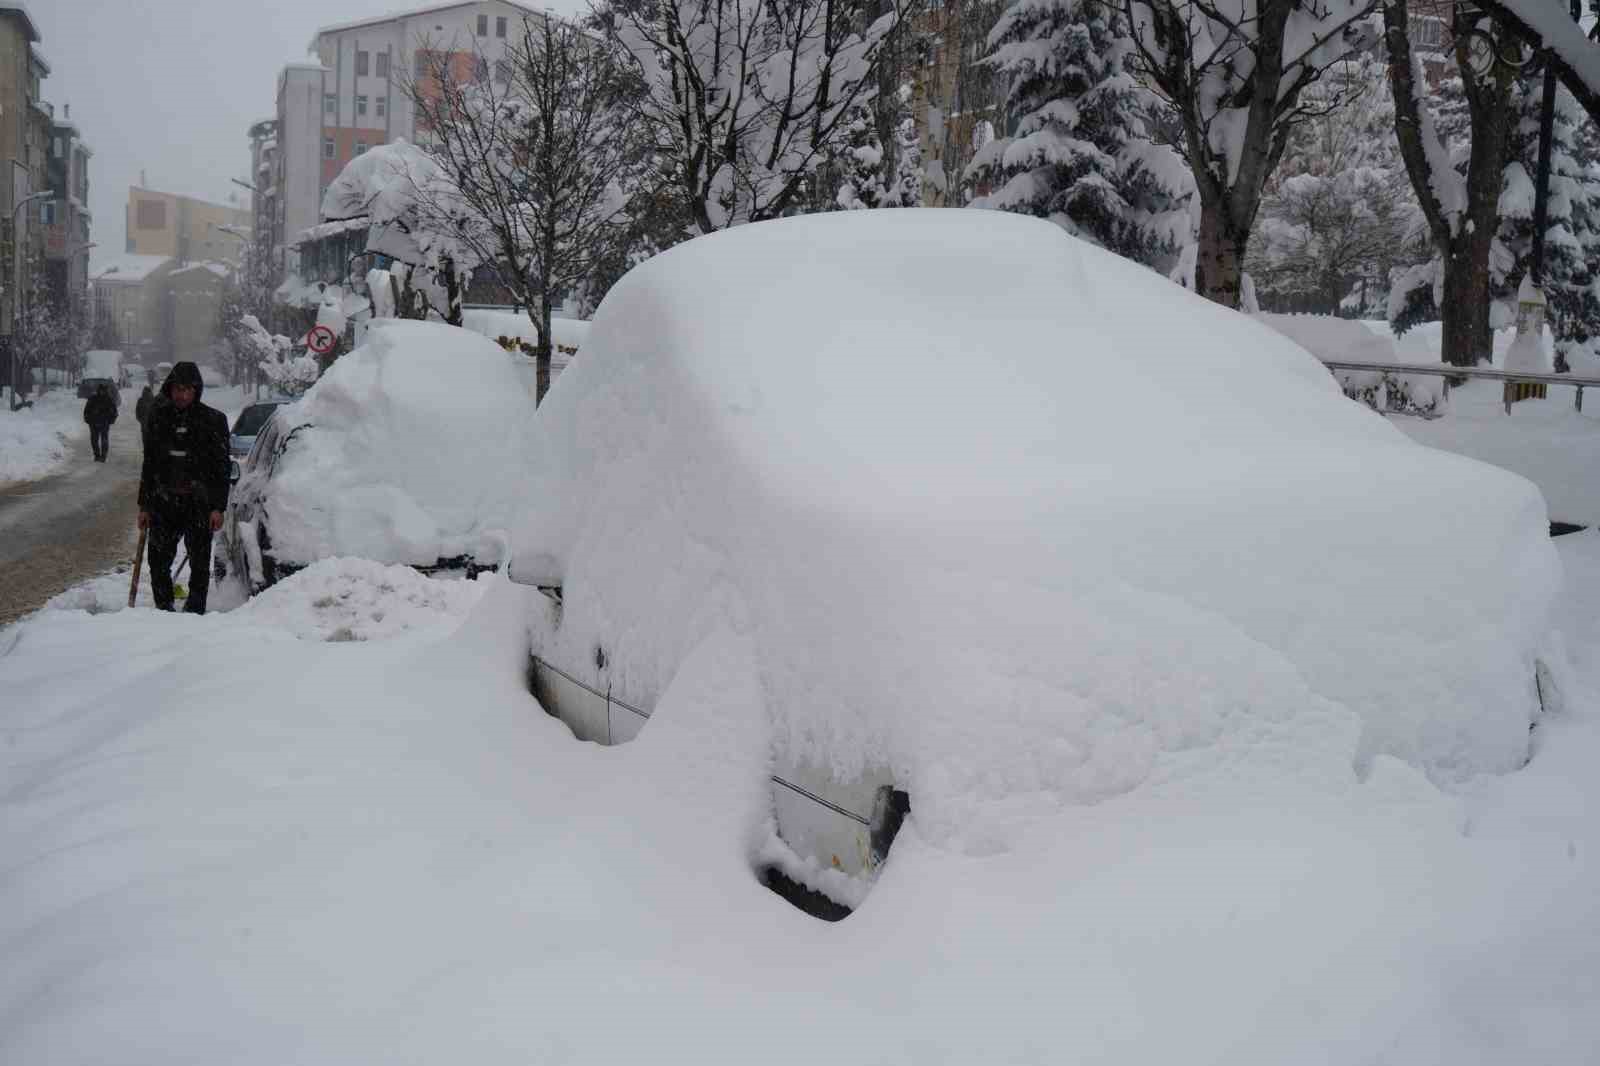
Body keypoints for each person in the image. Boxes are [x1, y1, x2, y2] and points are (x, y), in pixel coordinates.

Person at [137, 362, 231, 613]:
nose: (181, 395)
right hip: (163, 502)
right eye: (177, 389)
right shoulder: (159, 418)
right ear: (170, 389)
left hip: (198, 504)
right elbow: (150, 464)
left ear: (196, 390)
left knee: (199, 563)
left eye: (187, 389)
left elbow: (222, 468)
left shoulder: (213, 421)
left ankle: (195, 610)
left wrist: (218, 507)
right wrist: (144, 505)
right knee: (158, 561)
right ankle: (163, 607)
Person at [83, 382, 118, 463]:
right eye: (101, 390)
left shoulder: (109, 399)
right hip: (94, 423)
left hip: (104, 423)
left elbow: (114, 412)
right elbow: (86, 411)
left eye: (104, 390)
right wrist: (88, 420)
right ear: (99, 390)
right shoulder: (93, 398)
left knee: (104, 440)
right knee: (94, 440)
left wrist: (110, 420)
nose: (102, 392)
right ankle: (97, 455)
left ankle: (103, 456)